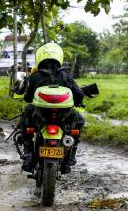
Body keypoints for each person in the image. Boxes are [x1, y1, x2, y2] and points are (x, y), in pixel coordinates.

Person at [19, 43, 85, 174]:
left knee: (26, 122)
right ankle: (70, 157)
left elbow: (27, 98)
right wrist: (78, 102)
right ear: (58, 58)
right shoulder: (66, 76)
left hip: (40, 114)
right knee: (78, 123)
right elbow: (78, 94)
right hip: (63, 115)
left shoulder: (35, 76)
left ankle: (28, 154)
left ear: (40, 58)